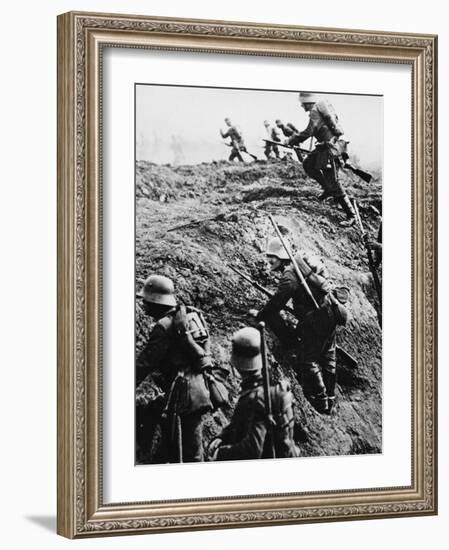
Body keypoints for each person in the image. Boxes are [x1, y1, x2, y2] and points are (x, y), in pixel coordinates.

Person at [250, 238, 349, 415]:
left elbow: (277, 303)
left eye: (272, 257)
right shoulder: (301, 264)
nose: (269, 261)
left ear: (281, 257)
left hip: (315, 320)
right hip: (328, 313)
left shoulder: (289, 275)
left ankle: (321, 400)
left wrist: (260, 314)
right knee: (328, 356)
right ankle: (330, 398)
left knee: (308, 359)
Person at [136, 274, 213, 462]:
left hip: (183, 397)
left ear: (155, 302)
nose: (143, 305)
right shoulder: (188, 316)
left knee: (190, 456)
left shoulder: (163, 327)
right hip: (199, 390)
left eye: (146, 300)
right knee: (175, 449)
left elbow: (145, 364)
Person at [208, 327, 300, 461]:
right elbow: (245, 422)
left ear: (237, 363)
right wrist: (223, 436)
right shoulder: (273, 388)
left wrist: (220, 454)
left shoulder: (254, 398)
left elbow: (252, 450)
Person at [288, 92, 356, 227]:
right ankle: (327, 189)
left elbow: (308, 132)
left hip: (330, 148)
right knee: (308, 164)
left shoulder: (314, 112)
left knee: (334, 182)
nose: (302, 107)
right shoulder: (320, 110)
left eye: (302, 104)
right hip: (324, 147)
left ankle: (351, 215)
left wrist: (292, 140)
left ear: (307, 102)